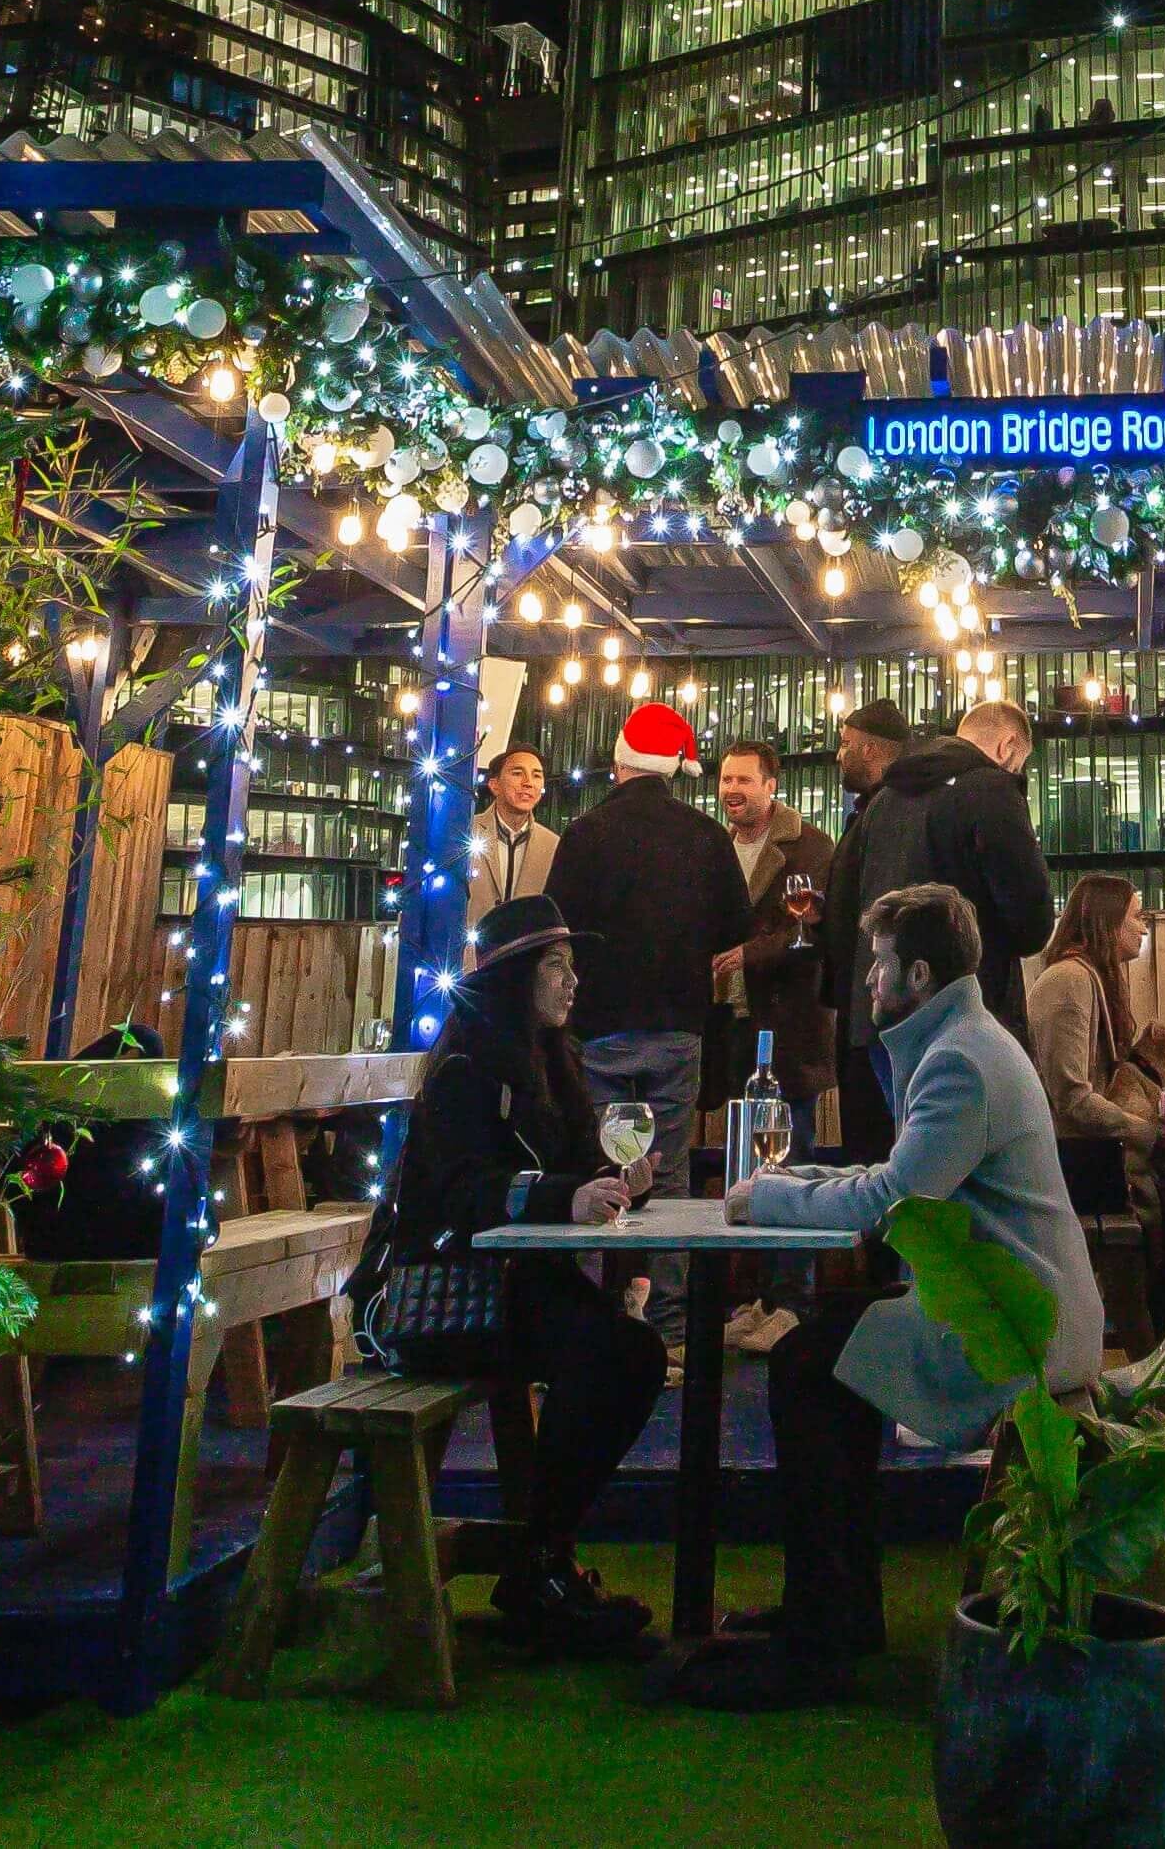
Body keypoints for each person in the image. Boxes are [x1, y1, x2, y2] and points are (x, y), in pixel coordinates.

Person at [675, 884, 1101, 1710]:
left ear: (915, 971)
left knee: (807, 1362)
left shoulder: (957, 1062)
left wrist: (765, 1197)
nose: (867, 984)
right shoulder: (965, 1043)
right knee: (817, 1354)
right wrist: (791, 1180)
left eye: (876, 966)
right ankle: (831, 1612)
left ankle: (823, 1632)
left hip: (1014, 1326)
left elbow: (891, 1203)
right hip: (1007, 1304)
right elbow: (899, 1178)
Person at [368, 898, 662, 1654]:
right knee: (618, 1356)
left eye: (571, 966)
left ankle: (543, 1557)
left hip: (519, 1289)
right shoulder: (468, 1068)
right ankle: (541, 1564)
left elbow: (563, 1169)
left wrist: (618, 1179)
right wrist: (570, 1194)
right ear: (513, 979)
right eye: (556, 966)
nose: (573, 983)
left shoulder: (547, 1060)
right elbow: (463, 1191)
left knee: (624, 1352)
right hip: (455, 1297)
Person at [832, 699, 1055, 1151]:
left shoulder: (884, 800)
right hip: (964, 1020)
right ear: (1009, 744)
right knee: (968, 1173)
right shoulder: (991, 791)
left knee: (908, 1170)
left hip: (881, 1017)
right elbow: (1031, 923)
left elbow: (846, 905)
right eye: (1021, 761)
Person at [543, 700, 745, 1164]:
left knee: (603, 1167)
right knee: (667, 1168)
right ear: (672, 769)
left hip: (599, 1026)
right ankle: (668, 1236)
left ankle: (609, 1236)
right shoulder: (708, 835)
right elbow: (736, 926)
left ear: (618, 765)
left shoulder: (584, 833)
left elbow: (558, 927)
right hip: (679, 1022)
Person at [1023, 871, 1165, 1213]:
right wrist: (1148, 1132)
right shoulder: (1069, 981)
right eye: (1136, 917)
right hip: (1077, 1166)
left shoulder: (1085, 977)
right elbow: (1073, 1100)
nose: (1144, 928)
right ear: (1107, 921)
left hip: (1086, 1159)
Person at [710, 737, 840, 1125]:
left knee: (790, 1154)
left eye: (744, 781)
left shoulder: (812, 846)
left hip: (790, 1027)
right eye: (726, 779)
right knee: (739, 1153)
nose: (732, 789)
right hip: (733, 1028)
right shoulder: (717, 847)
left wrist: (750, 954)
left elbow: (816, 931)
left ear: (770, 786)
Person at [466, 743, 559, 917]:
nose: (528, 783)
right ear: (494, 785)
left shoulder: (553, 845)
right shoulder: (466, 833)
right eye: (517, 773)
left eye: (536, 776)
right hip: (471, 943)